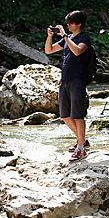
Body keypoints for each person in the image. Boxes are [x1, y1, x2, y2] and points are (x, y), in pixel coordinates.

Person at [45, 10, 92, 163]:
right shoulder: (68, 38)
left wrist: (65, 36)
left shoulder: (84, 38)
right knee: (64, 115)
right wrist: (50, 37)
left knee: (77, 115)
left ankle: (81, 148)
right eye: (67, 23)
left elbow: (78, 51)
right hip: (64, 79)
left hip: (78, 79)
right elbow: (49, 50)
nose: (68, 25)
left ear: (79, 24)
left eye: (71, 23)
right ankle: (82, 140)